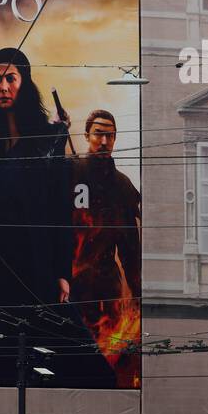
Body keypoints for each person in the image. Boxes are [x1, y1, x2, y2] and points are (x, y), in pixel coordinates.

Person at [0, 47, 115, 387]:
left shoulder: (48, 138)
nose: (3, 87)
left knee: (66, 353)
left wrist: (62, 272)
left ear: (24, 83)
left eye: (10, 79)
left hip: (31, 261)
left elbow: (60, 210)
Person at [69, 110, 141, 380]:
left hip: (105, 287)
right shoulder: (72, 171)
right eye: (99, 133)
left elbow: (130, 247)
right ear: (87, 135)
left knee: (107, 359)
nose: (104, 140)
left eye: (110, 135)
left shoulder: (122, 185)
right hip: (73, 284)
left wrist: (136, 290)